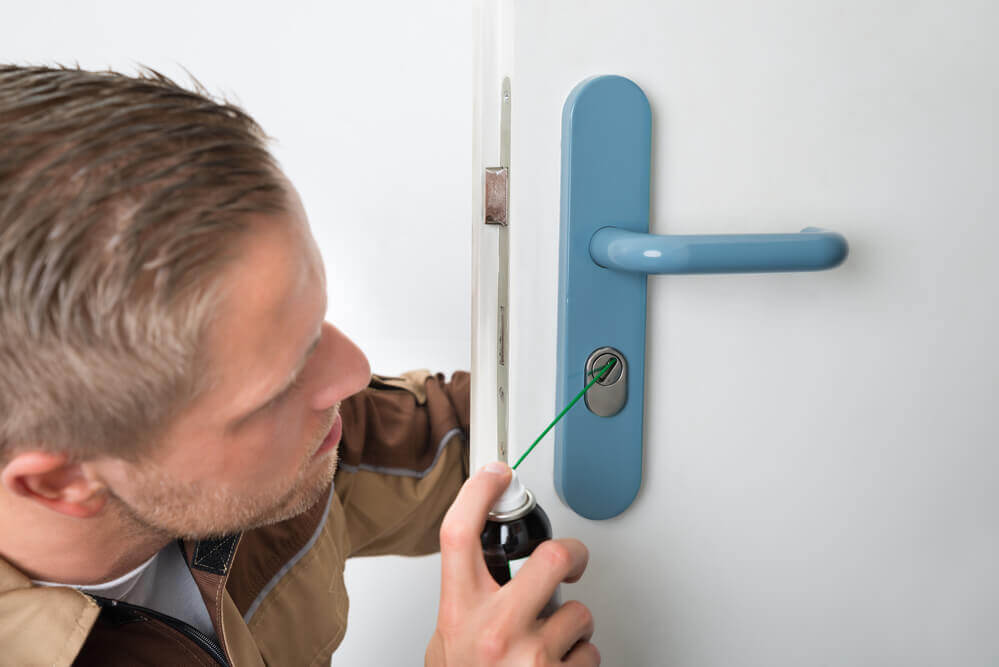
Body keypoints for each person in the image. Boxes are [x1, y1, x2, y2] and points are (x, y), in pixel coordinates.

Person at [0, 64, 599, 666]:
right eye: (279, 384)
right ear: (61, 482)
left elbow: (471, 439)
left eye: (314, 326)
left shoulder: (299, 438)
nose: (354, 371)